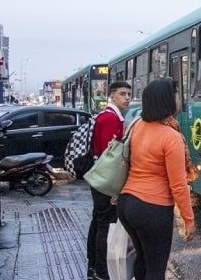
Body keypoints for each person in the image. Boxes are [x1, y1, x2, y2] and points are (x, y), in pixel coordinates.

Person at [117, 78, 195, 280]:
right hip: (152, 209)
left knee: (143, 260)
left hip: (127, 203)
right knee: (156, 270)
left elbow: (127, 163)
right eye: (176, 95)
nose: (179, 99)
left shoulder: (137, 126)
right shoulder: (171, 137)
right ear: (167, 101)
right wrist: (189, 220)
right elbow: (178, 186)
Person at [86, 81, 132, 280]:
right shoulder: (111, 119)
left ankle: (93, 266)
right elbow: (111, 157)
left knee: (98, 221)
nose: (127, 98)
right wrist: (116, 190)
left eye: (129, 94)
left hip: (99, 179)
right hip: (106, 181)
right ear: (112, 96)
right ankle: (101, 271)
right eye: (122, 94)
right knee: (105, 225)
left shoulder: (107, 116)